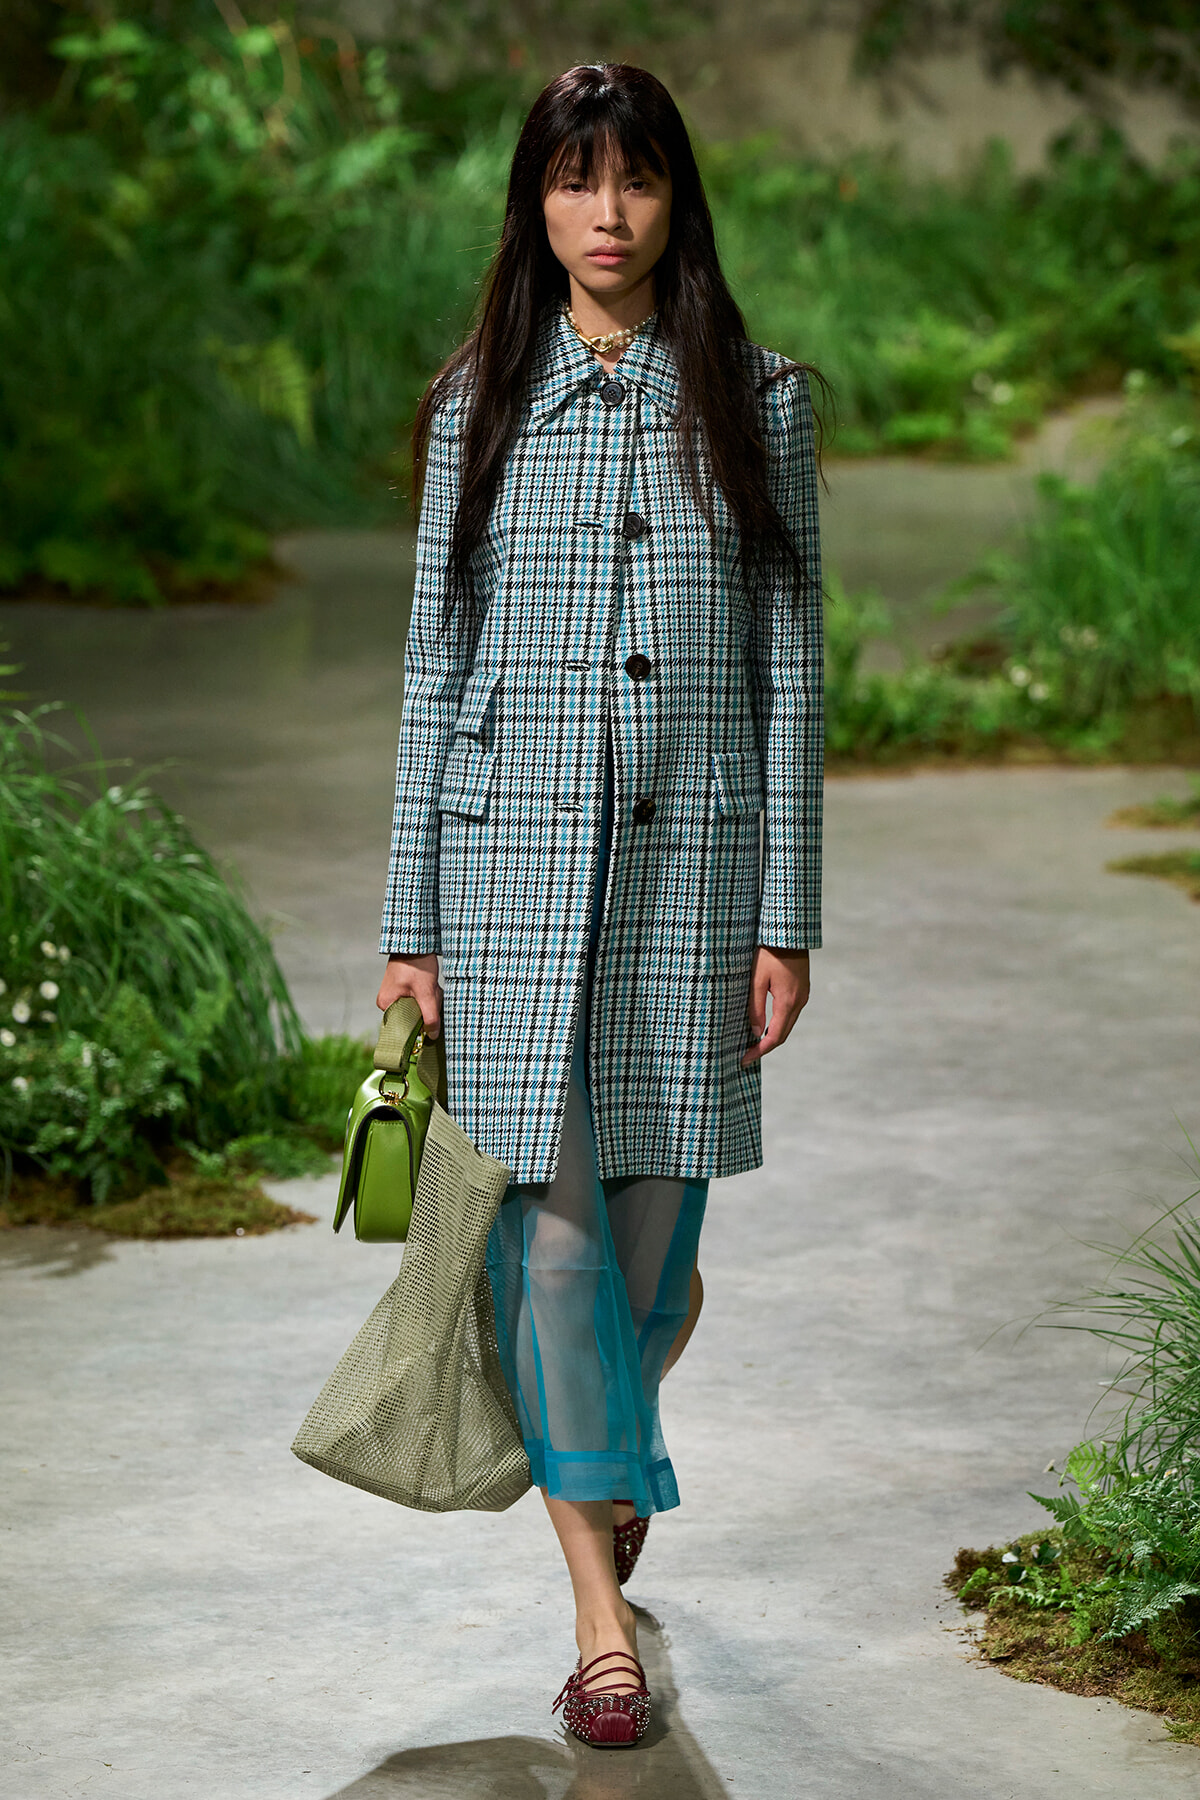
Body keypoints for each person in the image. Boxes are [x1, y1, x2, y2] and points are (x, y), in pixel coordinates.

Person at [376, 62, 823, 1749]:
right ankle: (596, 1620)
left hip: (691, 880)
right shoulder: (477, 394)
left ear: (673, 198)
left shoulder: (758, 397)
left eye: (634, 182)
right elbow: (435, 663)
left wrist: (790, 914)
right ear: (536, 204)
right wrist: (410, 920)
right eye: (575, 183)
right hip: (503, 874)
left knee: (654, 1263)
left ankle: (605, 1454)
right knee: (550, 1243)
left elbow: (793, 665)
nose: (608, 216)